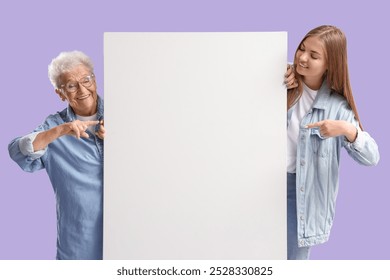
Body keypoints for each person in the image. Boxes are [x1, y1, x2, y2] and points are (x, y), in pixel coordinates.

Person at [286, 25, 380, 259]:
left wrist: (347, 129)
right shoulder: (282, 84)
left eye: (314, 55)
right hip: (258, 183)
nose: (302, 57)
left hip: (299, 192)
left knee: (292, 263)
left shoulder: (337, 108)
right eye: (301, 49)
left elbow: (372, 158)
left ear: (330, 64)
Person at [8, 51, 105, 260]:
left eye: (86, 80)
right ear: (60, 93)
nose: (82, 89)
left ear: (95, 80)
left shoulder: (126, 114)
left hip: (133, 234)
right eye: (71, 85)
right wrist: (61, 131)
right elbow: (18, 150)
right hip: (80, 244)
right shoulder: (54, 126)